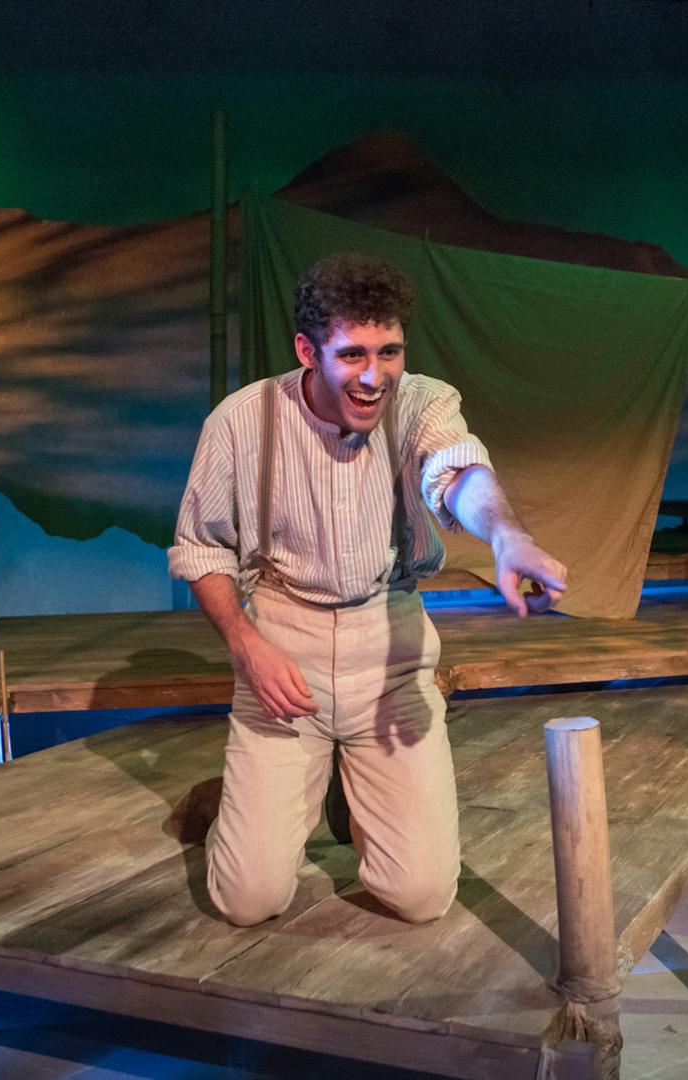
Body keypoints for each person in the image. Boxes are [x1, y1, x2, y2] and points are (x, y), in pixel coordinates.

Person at [169, 253, 568, 926]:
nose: (375, 375)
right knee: (248, 901)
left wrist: (506, 537)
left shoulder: (421, 401)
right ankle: (241, 806)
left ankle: (345, 795)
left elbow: (457, 467)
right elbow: (202, 548)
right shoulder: (241, 422)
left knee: (419, 896)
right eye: (353, 354)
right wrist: (244, 644)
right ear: (307, 351)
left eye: (389, 352)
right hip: (283, 651)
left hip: (389, 650)